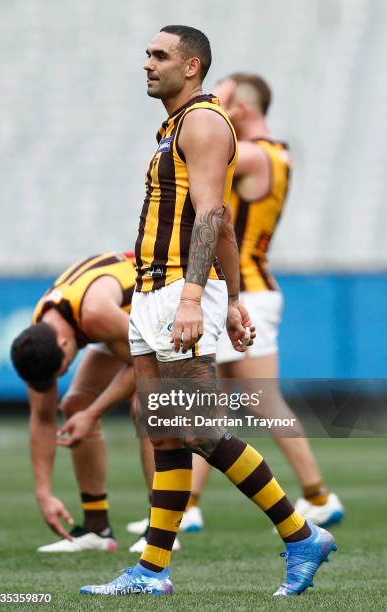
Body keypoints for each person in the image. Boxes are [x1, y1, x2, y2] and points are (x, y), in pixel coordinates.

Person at [80, 25, 336, 598]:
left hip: (177, 291)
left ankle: (301, 534)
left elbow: (213, 216)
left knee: (197, 429)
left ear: (190, 66)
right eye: (148, 54)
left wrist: (199, 299)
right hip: (151, 293)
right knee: (166, 432)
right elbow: (215, 216)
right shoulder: (176, 123)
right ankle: (151, 572)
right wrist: (237, 298)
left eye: (159, 55)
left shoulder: (201, 121)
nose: (147, 63)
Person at [181, 74, 344, 533]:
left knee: (252, 401)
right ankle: (190, 504)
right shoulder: (275, 152)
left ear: (243, 110)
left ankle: (316, 494)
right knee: (218, 401)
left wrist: (211, 101)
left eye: (226, 104)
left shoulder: (256, 152)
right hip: (250, 287)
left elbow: (210, 152)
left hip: (246, 293)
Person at [10, 252, 138, 553]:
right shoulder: (38, 334)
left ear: (65, 344)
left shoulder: (95, 314)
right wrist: (44, 493)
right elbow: (42, 417)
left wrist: (94, 413)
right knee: (74, 406)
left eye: (63, 370)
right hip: (126, 319)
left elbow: (152, 362)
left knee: (146, 406)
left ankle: (160, 529)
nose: (63, 374)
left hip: (172, 306)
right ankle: (97, 529)